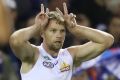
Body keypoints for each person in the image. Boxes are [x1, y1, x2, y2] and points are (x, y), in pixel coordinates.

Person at [9, 3, 114, 80]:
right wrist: (36, 27)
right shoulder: (33, 54)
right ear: (42, 33)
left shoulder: (70, 55)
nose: (58, 35)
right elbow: (15, 40)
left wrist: (76, 29)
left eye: (62, 31)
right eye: (53, 31)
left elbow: (107, 40)